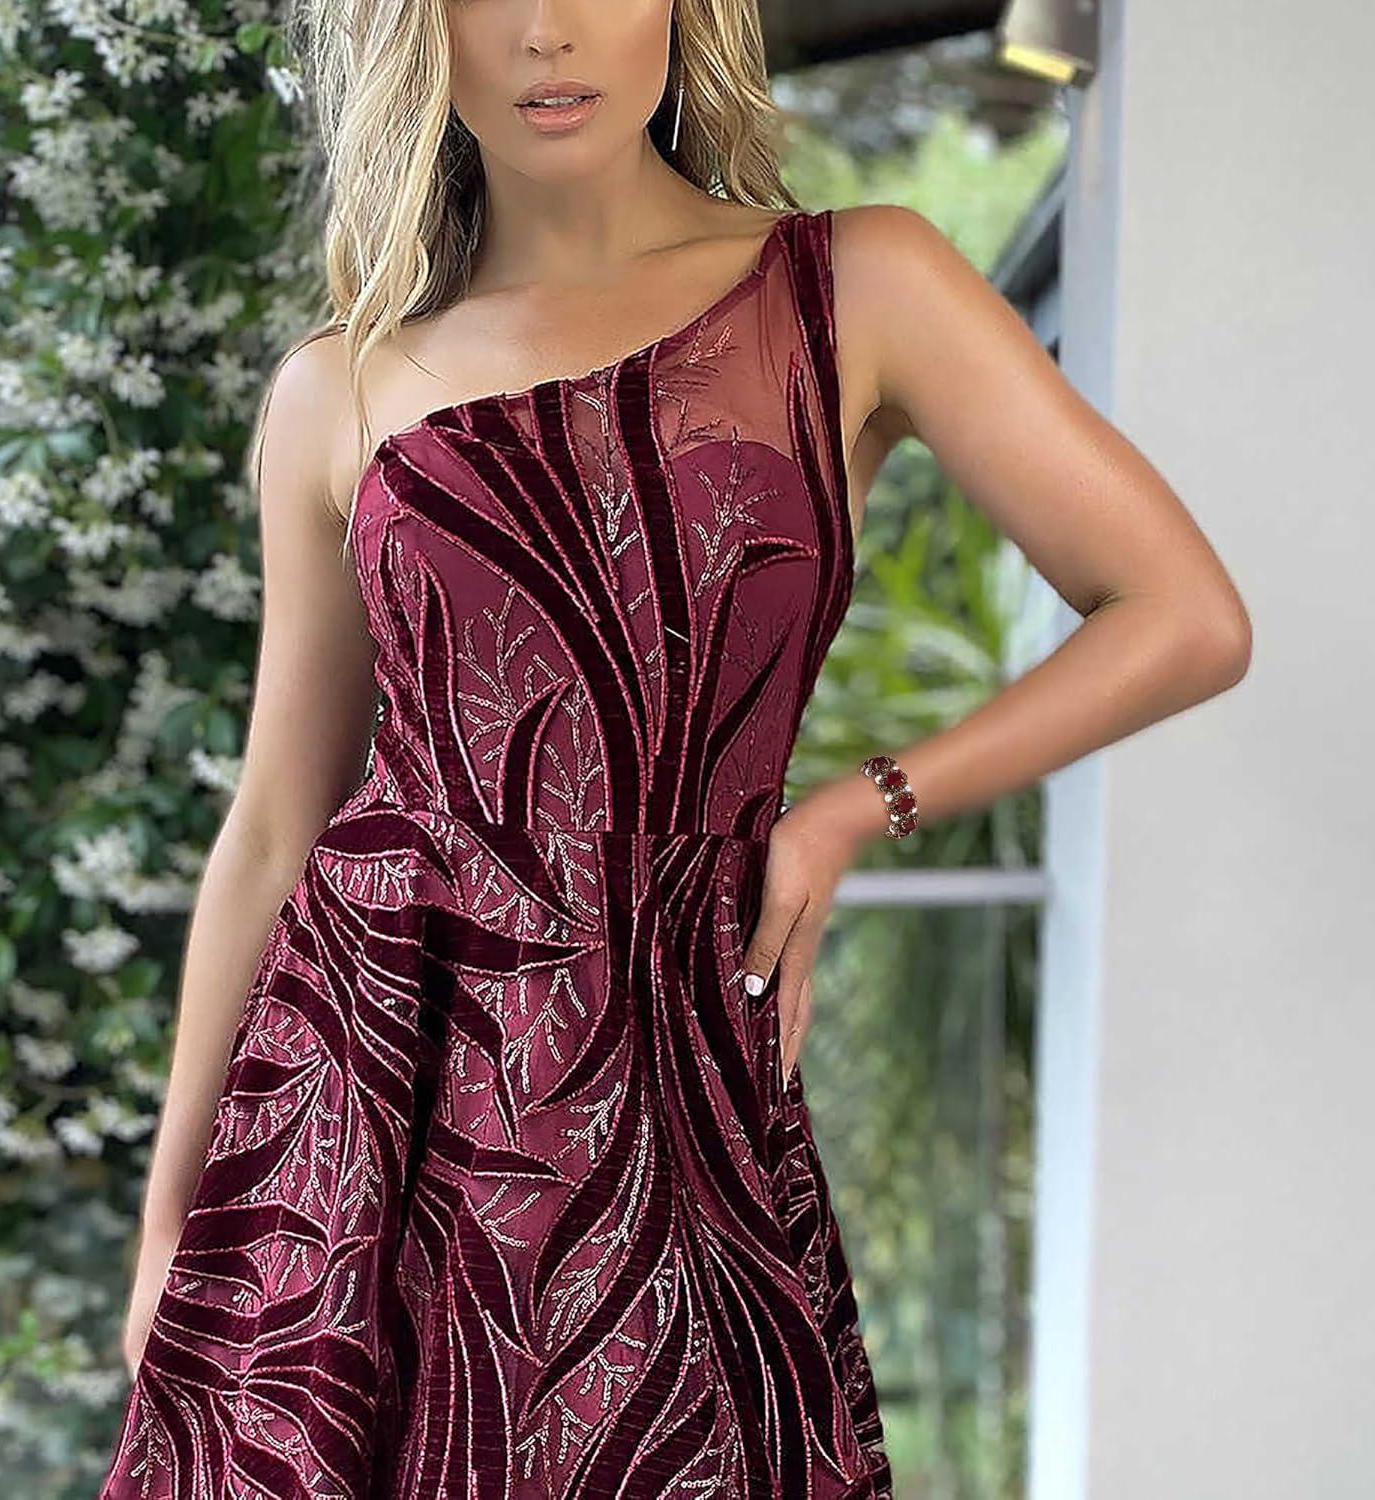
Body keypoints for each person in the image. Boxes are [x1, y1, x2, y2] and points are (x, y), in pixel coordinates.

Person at [97, 2, 1251, 1496]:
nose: (548, 33)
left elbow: (1184, 616)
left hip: (671, 1064)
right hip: (366, 1094)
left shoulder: (859, 283)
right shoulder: (341, 383)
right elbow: (274, 825)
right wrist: (172, 1220)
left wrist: (851, 810)